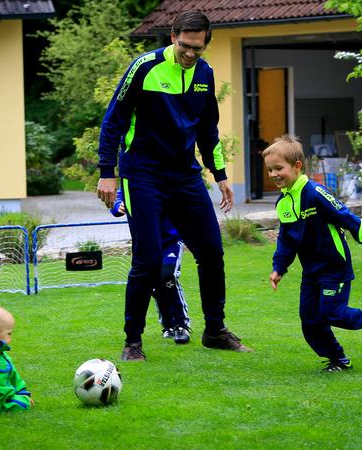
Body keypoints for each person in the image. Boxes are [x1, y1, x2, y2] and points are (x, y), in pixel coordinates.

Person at [96, 10, 251, 361]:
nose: (191, 53)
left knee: (211, 252)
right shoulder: (145, 67)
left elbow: (207, 129)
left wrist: (220, 173)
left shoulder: (204, 73)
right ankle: (132, 341)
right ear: (172, 37)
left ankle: (215, 331)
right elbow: (114, 120)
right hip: (143, 175)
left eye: (198, 47)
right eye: (185, 46)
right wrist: (108, 172)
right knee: (148, 259)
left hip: (185, 176)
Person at [263, 135, 362, 373]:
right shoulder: (283, 203)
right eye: (270, 170)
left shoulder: (316, 193)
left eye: (279, 168)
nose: (273, 174)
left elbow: (347, 217)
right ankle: (338, 359)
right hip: (311, 272)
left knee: (332, 313)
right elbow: (286, 241)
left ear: (297, 165)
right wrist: (279, 267)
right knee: (309, 320)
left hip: (334, 267)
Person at [111, 189, 191, 344]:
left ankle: (181, 325)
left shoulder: (169, 178)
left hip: (171, 242)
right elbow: (119, 199)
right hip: (146, 242)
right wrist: (118, 205)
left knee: (168, 276)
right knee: (155, 283)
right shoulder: (137, 178)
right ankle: (168, 325)